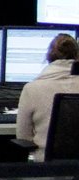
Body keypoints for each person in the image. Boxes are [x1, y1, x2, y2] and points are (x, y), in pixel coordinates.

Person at [17, 33, 79, 161]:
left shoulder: (32, 88)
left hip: (46, 168)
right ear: (77, 57)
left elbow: (23, 138)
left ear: (48, 57)